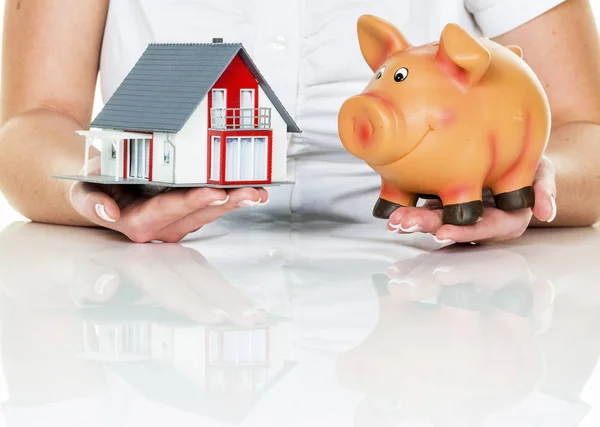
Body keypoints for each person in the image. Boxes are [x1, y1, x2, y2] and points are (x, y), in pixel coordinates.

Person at [0, 0, 599, 244]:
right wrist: (96, 189)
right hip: (149, 275)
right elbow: (34, 123)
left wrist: (524, 180)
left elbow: (583, 132)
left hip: (437, 271)